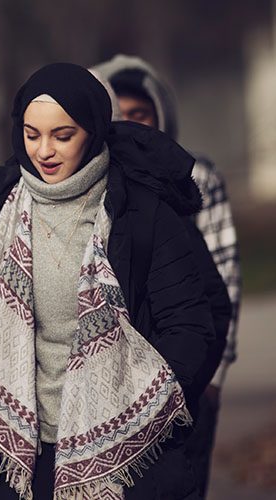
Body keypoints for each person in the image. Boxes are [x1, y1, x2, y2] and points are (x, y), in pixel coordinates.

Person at [0, 63, 224, 500]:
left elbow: (191, 326)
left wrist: (145, 410)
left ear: (92, 131)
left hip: (124, 453)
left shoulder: (141, 210)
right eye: (32, 134)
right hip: (17, 453)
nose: (44, 151)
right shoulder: (1, 206)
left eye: (62, 135)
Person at [92, 54, 241, 496]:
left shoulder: (196, 177)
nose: (130, 124)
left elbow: (223, 279)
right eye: (119, 114)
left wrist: (215, 377)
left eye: (140, 115)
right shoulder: (97, 182)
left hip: (187, 368)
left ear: (162, 116)